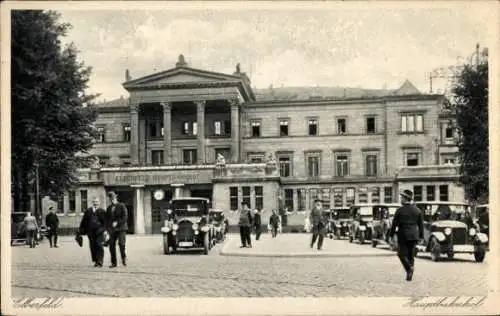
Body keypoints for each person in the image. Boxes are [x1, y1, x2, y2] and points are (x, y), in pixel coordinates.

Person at [389, 189, 424, 282]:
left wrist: (391, 235)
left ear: (405, 199)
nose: (401, 199)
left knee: (401, 254)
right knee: (410, 255)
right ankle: (409, 274)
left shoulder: (400, 210)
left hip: (403, 235)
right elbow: (421, 225)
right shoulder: (417, 210)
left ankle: (409, 269)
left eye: (402, 198)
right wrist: (421, 237)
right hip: (414, 235)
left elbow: (394, 224)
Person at [79, 197, 107, 267]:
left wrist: (105, 230)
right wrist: (80, 231)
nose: (95, 203)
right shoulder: (88, 211)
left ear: (99, 203)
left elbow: (106, 222)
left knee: (99, 245)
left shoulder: (102, 211)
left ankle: (100, 261)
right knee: (93, 246)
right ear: (92, 202)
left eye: (97, 202)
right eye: (94, 202)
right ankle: (96, 261)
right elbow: (84, 222)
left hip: (99, 231)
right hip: (91, 232)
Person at [106, 191, 128, 268]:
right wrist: (107, 231)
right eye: (110, 198)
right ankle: (113, 263)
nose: (112, 199)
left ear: (116, 197)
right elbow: (107, 220)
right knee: (111, 245)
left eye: (113, 197)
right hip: (112, 230)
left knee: (121, 244)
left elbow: (125, 217)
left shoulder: (122, 206)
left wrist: (117, 223)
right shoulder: (109, 208)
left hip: (121, 228)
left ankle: (123, 258)